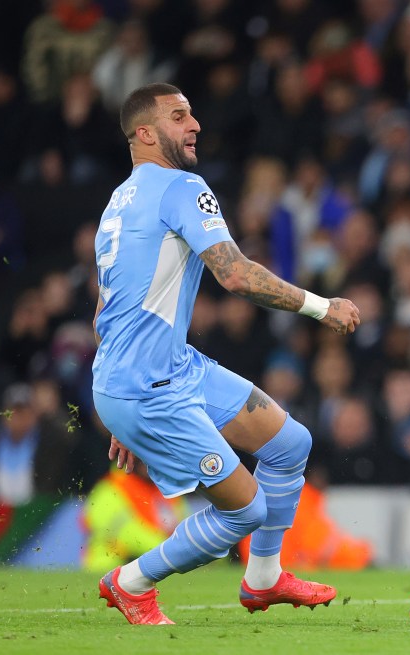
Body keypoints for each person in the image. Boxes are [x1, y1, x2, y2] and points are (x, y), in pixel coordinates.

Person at [92, 83, 360, 625]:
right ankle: (130, 582)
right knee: (246, 510)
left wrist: (119, 410)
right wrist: (319, 305)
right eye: (178, 116)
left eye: (191, 114)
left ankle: (263, 582)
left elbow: (106, 309)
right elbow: (234, 273)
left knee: (289, 444)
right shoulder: (181, 188)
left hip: (160, 371)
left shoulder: (119, 203)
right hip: (148, 387)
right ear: (144, 133)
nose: (194, 125)